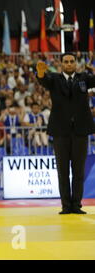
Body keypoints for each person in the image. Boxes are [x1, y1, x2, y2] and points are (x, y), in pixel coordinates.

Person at [36, 54, 95, 214]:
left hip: (80, 130)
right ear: (61, 64)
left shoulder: (84, 78)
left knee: (78, 170)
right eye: (66, 62)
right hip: (60, 131)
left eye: (71, 61)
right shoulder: (54, 79)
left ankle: (76, 205)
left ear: (76, 63)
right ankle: (65, 206)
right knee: (62, 171)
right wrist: (40, 73)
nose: (69, 64)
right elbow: (43, 80)